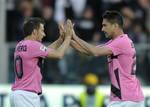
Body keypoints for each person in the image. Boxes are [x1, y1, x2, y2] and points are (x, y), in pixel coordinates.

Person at [70, 11, 144, 107]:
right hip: (126, 96)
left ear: (115, 26)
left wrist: (74, 36)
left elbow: (94, 51)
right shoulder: (115, 42)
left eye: (105, 25)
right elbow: (89, 51)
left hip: (127, 98)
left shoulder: (121, 42)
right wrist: (67, 39)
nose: (102, 29)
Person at [10, 17, 73, 107]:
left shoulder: (20, 44)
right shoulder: (33, 45)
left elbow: (46, 50)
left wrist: (61, 39)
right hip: (27, 96)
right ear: (35, 32)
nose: (44, 34)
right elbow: (59, 54)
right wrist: (68, 37)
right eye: (42, 30)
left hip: (17, 93)